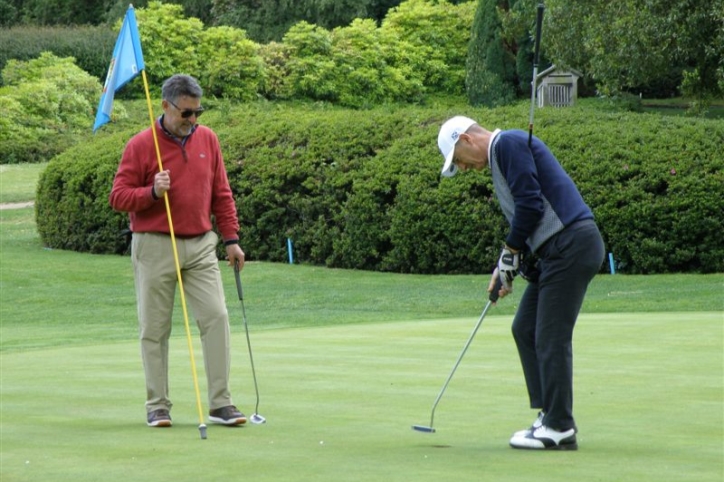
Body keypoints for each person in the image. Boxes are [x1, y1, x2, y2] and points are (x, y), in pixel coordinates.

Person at [437, 116, 604, 450]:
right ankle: (548, 414)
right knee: (525, 327)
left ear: (467, 140)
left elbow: (529, 204)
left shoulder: (509, 143)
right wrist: (509, 266)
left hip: (571, 244)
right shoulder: (502, 156)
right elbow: (529, 222)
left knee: (550, 336)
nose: (464, 169)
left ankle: (560, 427)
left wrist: (510, 251)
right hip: (555, 251)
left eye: (459, 160)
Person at [110, 74, 247, 428]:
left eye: (197, 112)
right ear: (166, 106)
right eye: (186, 113)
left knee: (216, 317)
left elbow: (221, 192)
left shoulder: (208, 139)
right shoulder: (141, 145)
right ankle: (157, 405)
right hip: (155, 244)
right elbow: (118, 197)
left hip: (201, 244)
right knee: (155, 327)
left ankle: (221, 403)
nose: (193, 120)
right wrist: (151, 193)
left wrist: (231, 239)